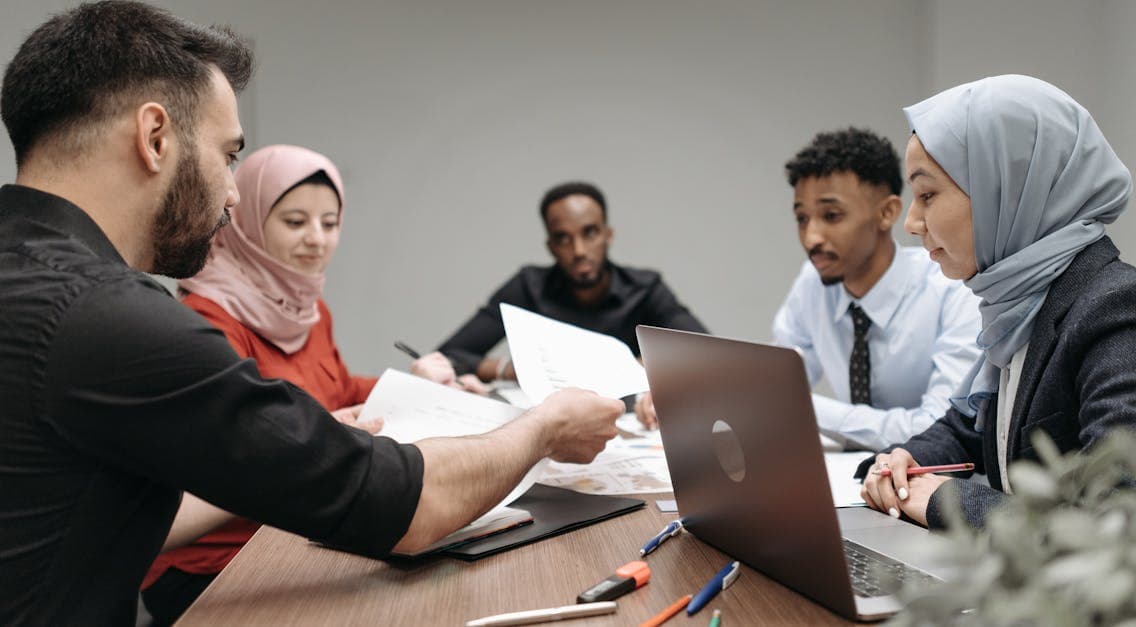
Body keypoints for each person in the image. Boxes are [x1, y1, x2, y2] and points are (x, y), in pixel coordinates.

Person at [0, 3, 621, 624]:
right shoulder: (116, 322)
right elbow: (407, 503)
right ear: (155, 137)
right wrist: (543, 428)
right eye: (227, 155)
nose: (233, 193)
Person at [859, 75, 1136, 529]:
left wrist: (947, 501)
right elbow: (969, 428)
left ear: (1009, 189)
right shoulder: (1024, 303)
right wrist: (906, 462)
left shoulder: (1126, 312)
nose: (912, 222)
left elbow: (1123, 523)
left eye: (926, 195)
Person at [140, 144, 457, 622]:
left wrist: (417, 387)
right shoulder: (208, 322)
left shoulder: (306, 309)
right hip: (216, 561)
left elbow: (337, 388)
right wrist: (326, 430)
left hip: (298, 527)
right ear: (247, 222)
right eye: (295, 222)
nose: (317, 239)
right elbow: (227, 455)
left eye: (330, 223)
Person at [636, 129, 982, 452]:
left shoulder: (951, 290)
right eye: (802, 218)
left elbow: (936, 427)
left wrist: (799, 405)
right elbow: (773, 382)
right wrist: (690, 395)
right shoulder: (814, 285)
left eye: (831, 216)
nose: (811, 237)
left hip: (939, 481)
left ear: (887, 213)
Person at [437, 181, 707, 382]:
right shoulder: (529, 287)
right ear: (551, 246)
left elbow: (704, 351)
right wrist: (511, 369)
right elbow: (450, 355)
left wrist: (630, 369)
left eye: (589, 233)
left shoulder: (644, 288)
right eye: (563, 238)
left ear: (608, 235)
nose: (578, 250)